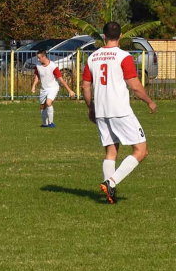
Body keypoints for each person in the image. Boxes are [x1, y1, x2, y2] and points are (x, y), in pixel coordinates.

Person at [82, 22, 157, 204]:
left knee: (111, 151)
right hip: (120, 110)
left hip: (101, 110)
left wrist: (91, 107)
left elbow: (85, 85)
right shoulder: (124, 56)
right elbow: (135, 86)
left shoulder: (93, 57)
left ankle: (110, 193)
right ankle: (111, 182)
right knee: (141, 150)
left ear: (104, 36)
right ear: (121, 36)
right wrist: (149, 101)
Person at [31, 49, 76, 128]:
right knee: (42, 106)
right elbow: (37, 76)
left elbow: (60, 79)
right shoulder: (38, 65)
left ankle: (51, 123)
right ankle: (45, 124)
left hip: (53, 88)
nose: (38, 59)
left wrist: (69, 90)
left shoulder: (53, 66)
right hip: (43, 89)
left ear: (44, 56)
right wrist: (33, 86)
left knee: (48, 103)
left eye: (39, 58)